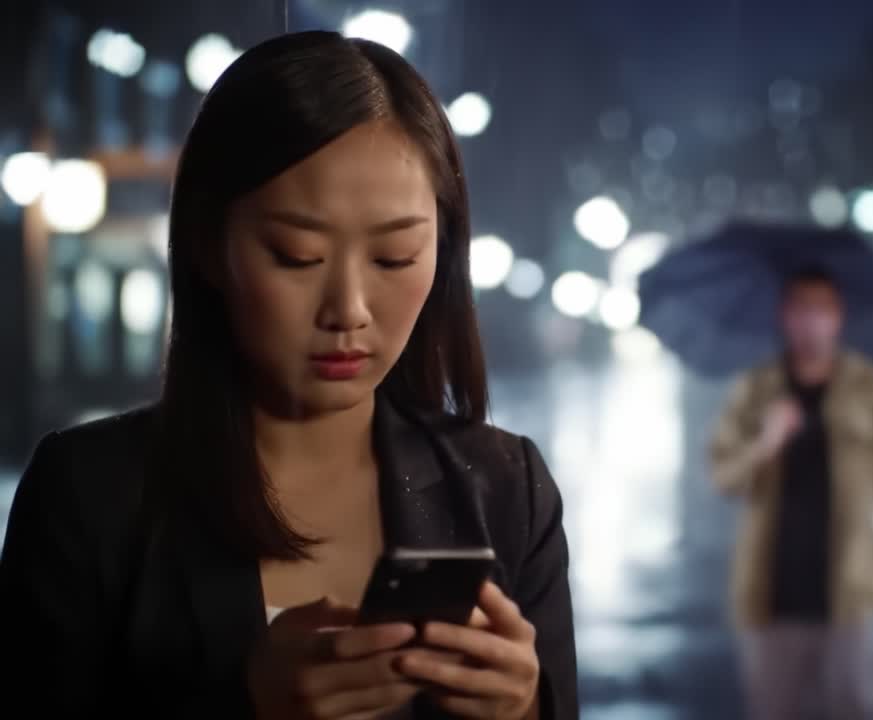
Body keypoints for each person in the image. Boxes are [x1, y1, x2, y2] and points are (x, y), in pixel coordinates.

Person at [0, 31, 576, 719]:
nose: (349, 311)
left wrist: (525, 709)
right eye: (297, 255)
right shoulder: (92, 496)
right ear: (210, 247)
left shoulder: (506, 487)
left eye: (395, 258)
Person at [709, 269, 873, 720]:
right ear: (784, 317)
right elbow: (722, 476)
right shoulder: (756, 388)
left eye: (820, 309)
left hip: (849, 590)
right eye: (799, 308)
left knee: (854, 708)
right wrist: (765, 444)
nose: (810, 321)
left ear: (838, 316)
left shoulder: (871, 388)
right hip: (771, 595)